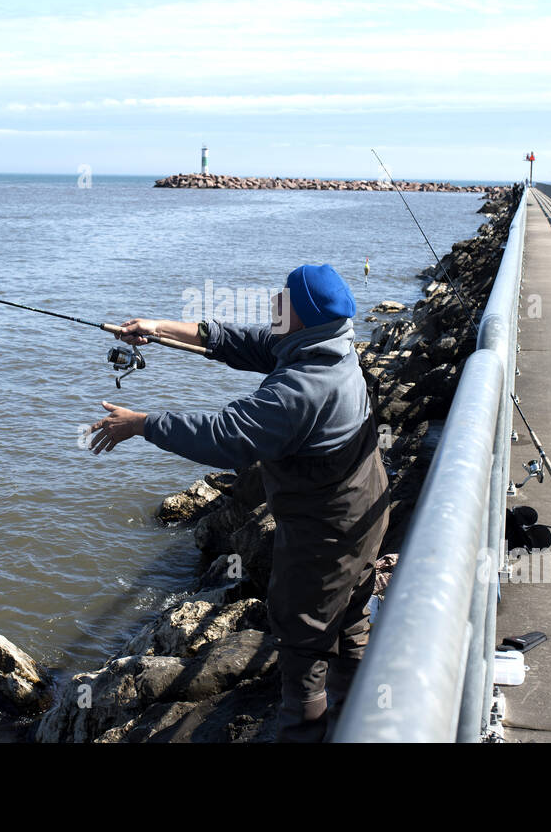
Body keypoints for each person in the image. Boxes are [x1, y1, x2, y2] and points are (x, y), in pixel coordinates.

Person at [86, 263, 390, 742]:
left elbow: (224, 436)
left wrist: (142, 423)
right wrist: (158, 328)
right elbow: (235, 341)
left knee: (304, 639)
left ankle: (306, 731)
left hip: (324, 534)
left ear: (303, 315)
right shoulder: (329, 347)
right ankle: (360, 716)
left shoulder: (301, 389)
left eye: (282, 300)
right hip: (366, 507)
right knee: (350, 613)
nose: (273, 304)